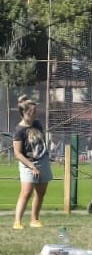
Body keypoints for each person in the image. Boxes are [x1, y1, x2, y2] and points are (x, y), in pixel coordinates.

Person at [12, 95, 53, 229]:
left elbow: (40, 143)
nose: (37, 113)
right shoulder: (19, 130)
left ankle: (34, 219)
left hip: (43, 162)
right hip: (28, 164)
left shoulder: (37, 124)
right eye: (34, 111)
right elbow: (17, 154)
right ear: (27, 113)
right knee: (26, 192)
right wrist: (31, 167)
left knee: (41, 192)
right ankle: (17, 221)